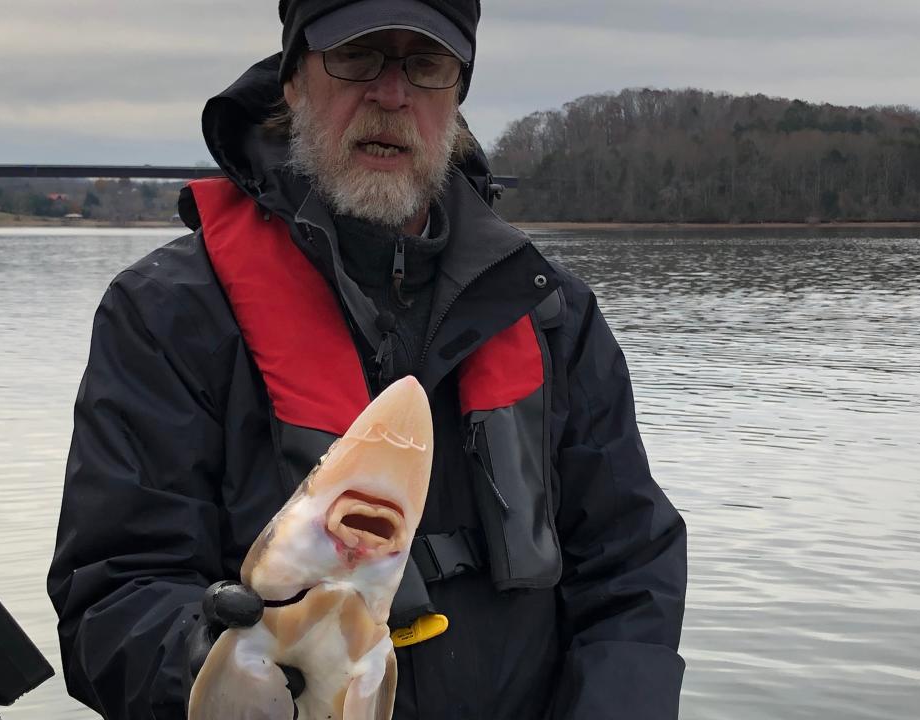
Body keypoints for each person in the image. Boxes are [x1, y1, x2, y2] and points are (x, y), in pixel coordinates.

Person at [47, 1, 688, 718]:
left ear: (458, 93)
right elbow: (111, 595)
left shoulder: (553, 316)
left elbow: (630, 568)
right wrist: (210, 663)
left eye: (426, 65)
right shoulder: (165, 314)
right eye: (357, 58)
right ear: (292, 81)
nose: (391, 95)